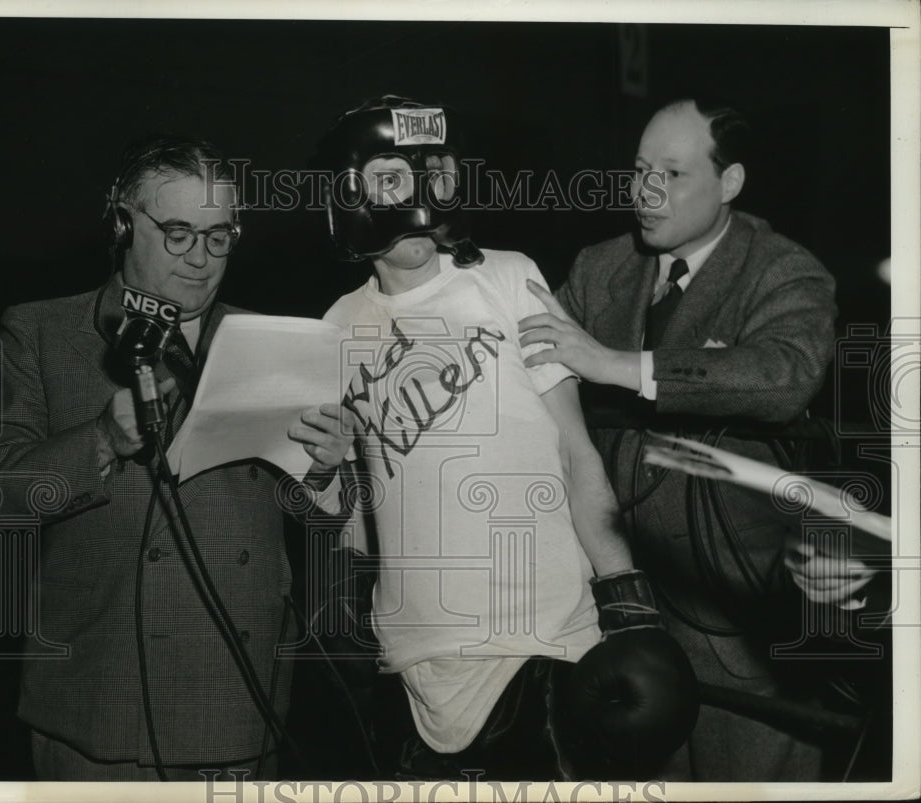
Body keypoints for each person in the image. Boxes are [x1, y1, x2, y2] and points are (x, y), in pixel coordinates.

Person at [290, 96, 700, 780]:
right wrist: (325, 474)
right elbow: (356, 520)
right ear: (351, 191)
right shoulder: (335, 325)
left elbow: (575, 448)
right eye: (391, 177)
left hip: (544, 636)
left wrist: (625, 595)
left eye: (433, 175)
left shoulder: (508, 277)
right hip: (416, 653)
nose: (417, 197)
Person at [0, 135, 345, 781]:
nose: (199, 259)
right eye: (176, 232)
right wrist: (101, 441)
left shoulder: (278, 341)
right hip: (100, 704)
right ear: (120, 222)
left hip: (238, 699)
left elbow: (316, 520)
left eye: (219, 235)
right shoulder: (40, 331)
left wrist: (326, 468)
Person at [517, 98, 839, 781]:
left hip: (743, 624)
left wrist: (617, 364)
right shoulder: (601, 267)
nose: (646, 192)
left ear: (731, 183)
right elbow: (529, 383)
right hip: (620, 612)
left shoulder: (784, 271)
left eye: (672, 172)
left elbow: (786, 374)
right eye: (638, 170)